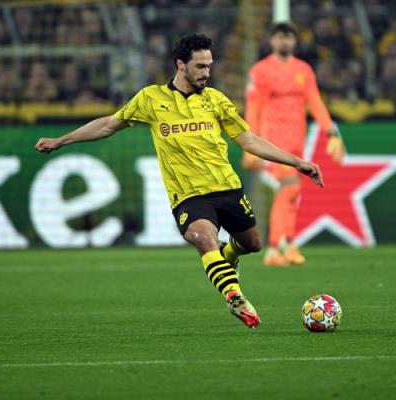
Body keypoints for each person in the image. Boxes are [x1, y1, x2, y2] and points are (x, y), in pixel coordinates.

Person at [35, 33, 324, 329]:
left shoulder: (215, 100)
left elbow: (249, 140)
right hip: (188, 196)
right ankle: (234, 296)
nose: (206, 72)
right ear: (180, 64)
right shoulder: (151, 99)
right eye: (200, 66)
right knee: (202, 237)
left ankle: (229, 256)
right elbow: (108, 125)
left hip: (227, 187)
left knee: (252, 244)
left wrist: (297, 162)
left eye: (209, 66)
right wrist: (62, 140)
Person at [243, 23, 344, 267]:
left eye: (288, 37)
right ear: (271, 41)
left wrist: (331, 131)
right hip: (273, 142)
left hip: (297, 140)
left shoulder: (303, 70)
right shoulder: (261, 71)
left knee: (292, 191)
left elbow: (315, 102)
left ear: (295, 41)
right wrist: (250, 144)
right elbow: (254, 108)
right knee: (289, 187)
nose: (284, 42)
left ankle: (285, 246)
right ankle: (276, 247)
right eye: (280, 37)